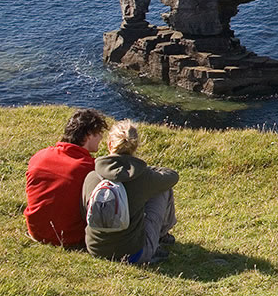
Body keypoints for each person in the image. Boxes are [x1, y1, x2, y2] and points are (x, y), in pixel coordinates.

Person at [82, 120, 178, 264]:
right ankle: (161, 237)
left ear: (109, 145)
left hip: (96, 249)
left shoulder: (92, 176)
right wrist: (146, 170)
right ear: (135, 146)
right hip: (134, 254)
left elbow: (85, 212)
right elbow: (172, 176)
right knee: (163, 189)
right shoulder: (144, 177)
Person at [24, 108, 109, 247]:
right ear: (88, 135)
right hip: (70, 237)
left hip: (36, 231)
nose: (101, 138)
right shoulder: (90, 168)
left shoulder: (39, 156)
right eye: (99, 133)